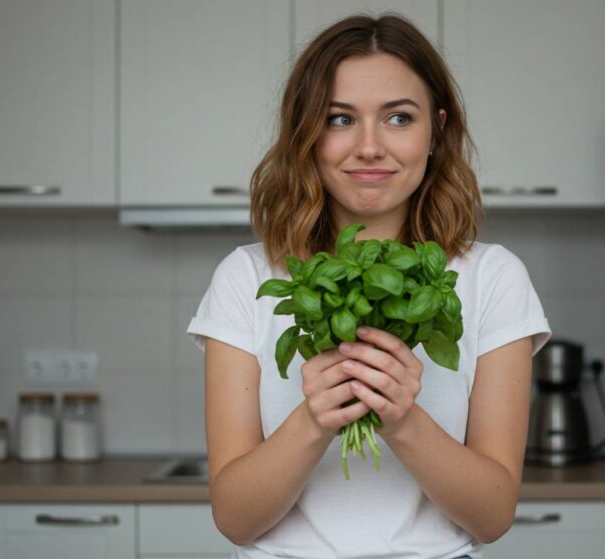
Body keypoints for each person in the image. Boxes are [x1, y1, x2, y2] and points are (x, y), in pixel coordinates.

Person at [187, 14, 552, 559]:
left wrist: (402, 418)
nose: (370, 147)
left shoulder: (495, 278)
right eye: (339, 119)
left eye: (399, 118)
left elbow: (493, 516)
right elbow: (236, 520)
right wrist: (314, 420)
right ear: (306, 134)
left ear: (437, 131)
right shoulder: (246, 278)